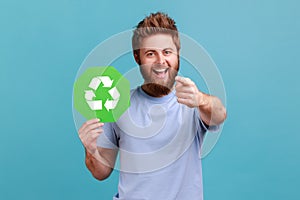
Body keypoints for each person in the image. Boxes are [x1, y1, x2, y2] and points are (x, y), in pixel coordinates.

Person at [78, 12, 226, 200]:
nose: (160, 61)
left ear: (177, 55)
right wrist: (90, 149)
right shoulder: (116, 104)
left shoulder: (193, 102)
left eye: (167, 52)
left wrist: (201, 100)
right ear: (137, 57)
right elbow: (101, 172)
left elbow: (220, 113)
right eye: (150, 53)